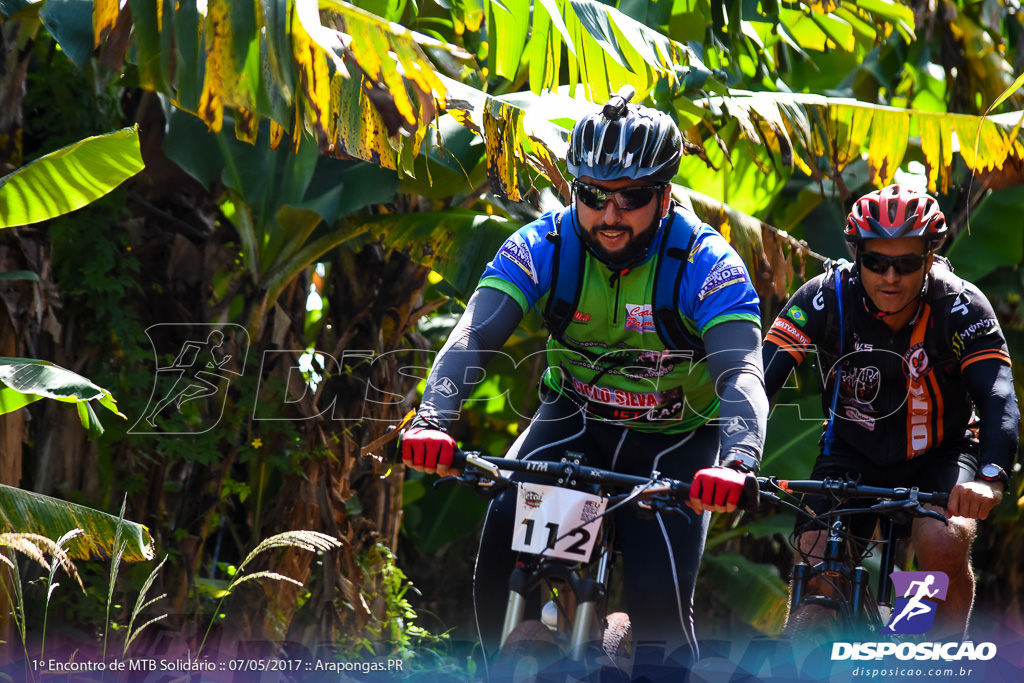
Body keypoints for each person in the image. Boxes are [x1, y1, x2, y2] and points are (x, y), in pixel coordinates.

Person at [400, 90, 768, 669]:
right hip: (573, 423)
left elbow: (742, 373)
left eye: (633, 196)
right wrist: (432, 419)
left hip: (672, 442)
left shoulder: (707, 264)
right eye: (593, 195)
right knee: (502, 537)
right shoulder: (542, 244)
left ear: (665, 195)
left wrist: (737, 461)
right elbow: (472, 336)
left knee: (657, 613)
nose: (610, 214)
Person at [762, 184, 1020, 640]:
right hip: (851, 450)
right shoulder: (825, 298)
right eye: (876, 262)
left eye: (906, 264)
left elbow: (998, 395)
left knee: (940, 544)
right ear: (857, 256)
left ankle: (939, 658)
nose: (890, 277)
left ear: (930, 260)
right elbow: (761, 379)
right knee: (817, 560)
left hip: (941, 453)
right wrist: (733, 459)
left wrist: (992, 476)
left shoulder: (960, 306)